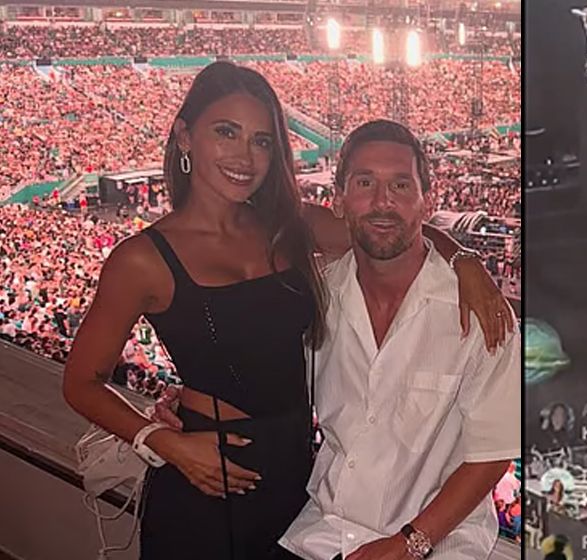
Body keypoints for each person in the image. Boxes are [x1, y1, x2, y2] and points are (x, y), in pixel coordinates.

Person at [62, 63, 512, 560]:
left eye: (262, 141)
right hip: (208, 473)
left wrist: (465, 260)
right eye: (226, 132)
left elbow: (389, 228)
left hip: (298, 486)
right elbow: (81, 382)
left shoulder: (288, 225)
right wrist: (162, 442)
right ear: (185, 136)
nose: (245, 156)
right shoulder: (142, 259)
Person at [275, 120, 520, 560]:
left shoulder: (480, 314)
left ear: (427, 201)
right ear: (339, 200)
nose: (383, 201)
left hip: (437, 544)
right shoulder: (318, 300)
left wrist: (410, 543)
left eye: (401, 185)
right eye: (365, 183)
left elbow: (492, 453)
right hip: (323, 532)